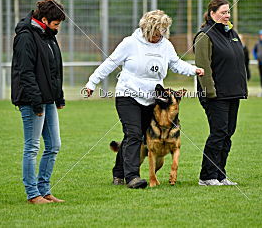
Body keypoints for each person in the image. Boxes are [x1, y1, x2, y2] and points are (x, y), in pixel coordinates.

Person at [85, 10, 204, 189]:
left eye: (163, 32)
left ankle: (118, 172)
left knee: (135, 136)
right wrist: (91, 83)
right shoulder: (130, 43)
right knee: (133, 133)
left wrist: (193, 69)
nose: (159, 36)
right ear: (146, 29)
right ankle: (132, 177)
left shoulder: (165, 46)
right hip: (128, 95)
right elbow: (110, 63)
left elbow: (176, 64)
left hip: (152, 100)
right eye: (156, 33)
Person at [11, 0, 66, 204]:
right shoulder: (26, 37)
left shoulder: (48, 36)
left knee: (54, 145)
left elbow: (53, 71)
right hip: (32, 101)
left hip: (48, 100)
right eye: (56, 23)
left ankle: (45, 190)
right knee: (32, 147)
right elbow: (25, 73)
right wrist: (36, 103)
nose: (58, 27)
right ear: (44, 19)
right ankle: (32, 194)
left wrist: (58, 97)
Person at [194, 0, 247, 186]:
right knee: (218, 133)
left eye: (228, 12)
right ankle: (207, 176)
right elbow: (203, 67)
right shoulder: (204, 35)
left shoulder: (231, 33)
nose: (227, 16)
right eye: (223, 12)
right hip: (215, 95)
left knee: (228, 133)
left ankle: (220, 174)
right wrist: (210, 92)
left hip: (233, 93)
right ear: (212, 14)